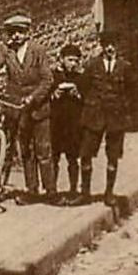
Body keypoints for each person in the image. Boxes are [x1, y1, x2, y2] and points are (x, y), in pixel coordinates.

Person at [0, 14, 57, 202]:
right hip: (17, 108)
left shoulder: (38, 51)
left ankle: (51, 192)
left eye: (20, 32)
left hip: (37, 108)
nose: (16, 36)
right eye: (12, 32)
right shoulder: (6, 51)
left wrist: (32, 97)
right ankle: (32, 191)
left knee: (43, 150)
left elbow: (48, 80)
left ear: (27, 33)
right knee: (26, 151)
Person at [79, 30, 135, 203]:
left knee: (113, 155)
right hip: (94, 115)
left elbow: (132, 90)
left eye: (113, 45)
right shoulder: (91, 65)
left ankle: (109, 193)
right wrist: (92, 103)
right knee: (86, 153)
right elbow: (83, 87)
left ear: (117, 46)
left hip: (116, 117)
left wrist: (123, 107)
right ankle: (85, 193)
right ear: (101, 46)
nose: (110, 48)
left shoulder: (125, 67)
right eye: (106, 45)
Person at [49, 43, 86, 203]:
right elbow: (45, 96)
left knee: (72, 158)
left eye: (76, 61)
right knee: (54, 157)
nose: (73, 63)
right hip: (56, 124)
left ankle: (73, 189)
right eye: (70, 60)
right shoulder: (53, 76)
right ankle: (53, 189)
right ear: (61, 59)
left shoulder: (81, 78)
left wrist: (78, 94)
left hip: (73, 125)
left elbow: (87, 98)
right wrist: (54, 94)